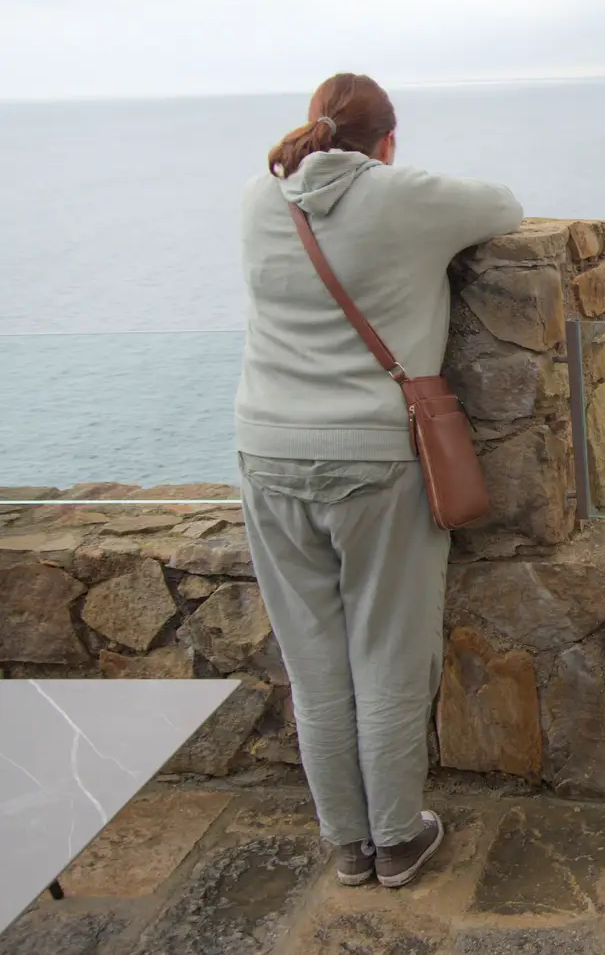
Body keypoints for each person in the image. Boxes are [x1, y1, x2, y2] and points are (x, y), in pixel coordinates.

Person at [236, 73, 523, 888]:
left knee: (315, 663)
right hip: (374, 460)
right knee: (388, 654)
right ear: (388, 141)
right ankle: (397, 839)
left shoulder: (259, 197)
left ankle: (345, 845)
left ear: (313, 127)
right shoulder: (402, 197)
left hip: (266, 453)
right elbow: (504, 204)